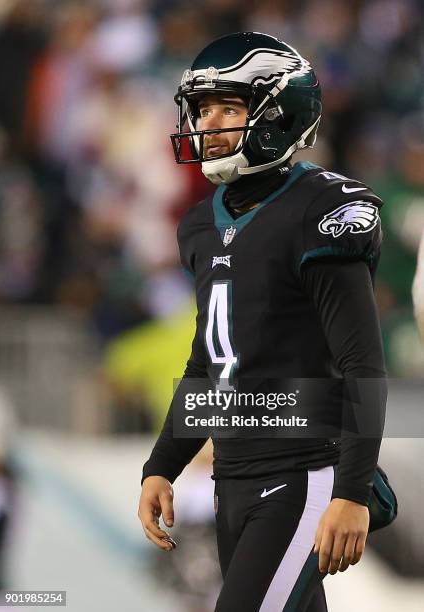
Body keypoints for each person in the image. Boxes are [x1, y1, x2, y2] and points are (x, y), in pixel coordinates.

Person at [138, 32, 387, 612]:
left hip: (303, 471)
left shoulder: (321, 209)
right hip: (234, 475)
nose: (209, 125)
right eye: (202, 110)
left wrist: (350, 490)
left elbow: (361, 362)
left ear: (279, 114)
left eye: (229, 108)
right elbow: (209, 358)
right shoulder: (200, 224)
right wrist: (163, 466)